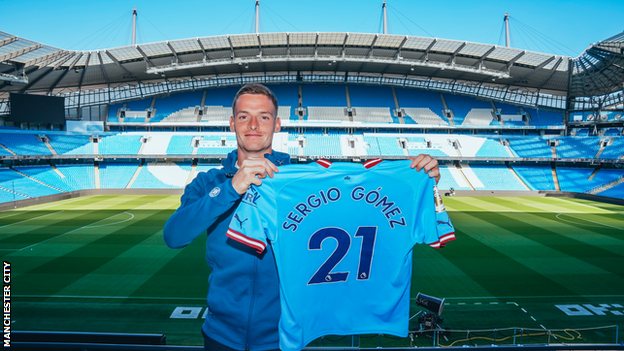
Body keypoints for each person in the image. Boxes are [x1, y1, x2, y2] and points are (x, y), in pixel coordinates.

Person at [163, 83, 441, 351]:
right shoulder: (207, 183)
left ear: (278, 124)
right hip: (220, 334)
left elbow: (358, 209)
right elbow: (174, 236)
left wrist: (419, 182)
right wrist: (231, 187)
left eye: (264, 117)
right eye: (243, 116)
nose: (253, 125)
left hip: (283, 337)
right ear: (232, 123)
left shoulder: (301, 184)